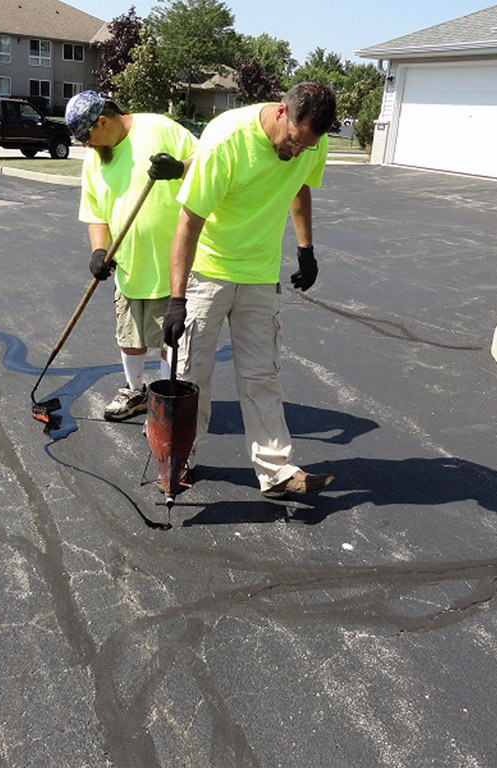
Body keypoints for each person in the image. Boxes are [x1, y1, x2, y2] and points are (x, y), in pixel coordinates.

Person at [162, 82, 337, 497]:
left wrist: (306, 249)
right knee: (190, 375)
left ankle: (275, 471)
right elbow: (189, 221)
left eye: (306, 147)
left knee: (262, 375)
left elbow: (299, 188)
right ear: (281, 113)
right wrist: (176, 298)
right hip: (207, 272)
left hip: (259, 275)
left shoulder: (313, 142)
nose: (295, 153)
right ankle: (178, 458)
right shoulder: (226, 139)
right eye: (293, 141)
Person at [65, 91, 197, 421]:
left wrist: (180, 168)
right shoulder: (96, 158)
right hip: (128, 265)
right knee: (130, 334)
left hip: (171, 263)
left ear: (103, 121)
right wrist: (99, 251)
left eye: (85, 136)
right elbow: (95, 211)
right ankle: (135, 391)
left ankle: (164, 401)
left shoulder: (159, 129)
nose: (85, 145)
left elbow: (210, 164)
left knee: (170, 337)